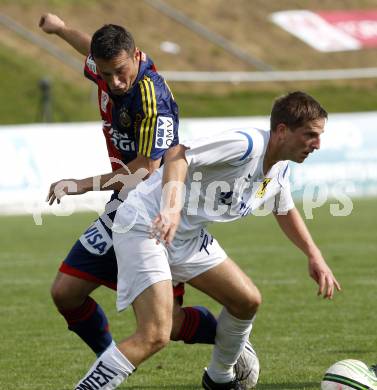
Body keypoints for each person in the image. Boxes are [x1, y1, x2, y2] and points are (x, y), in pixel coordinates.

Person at [73, 91, 341, 389]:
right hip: (145, 224)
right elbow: (177, 154)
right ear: (282, 131)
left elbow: (283, 208)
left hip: (185, 236)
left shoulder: (279, 168)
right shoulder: (246, 144)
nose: (317, 144)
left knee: (246, 301)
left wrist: (314, 255)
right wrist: (171, 207)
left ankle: (219, 379)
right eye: (310, 135)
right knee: (156, 334)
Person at [38, 13, 238, 366]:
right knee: (65, 293)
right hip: (122, 207)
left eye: (120, 72)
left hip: (153, 208)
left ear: (136, 55)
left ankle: (231, 343)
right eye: (105, 73)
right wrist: (59, 29)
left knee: (169, 326)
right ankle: (109, 360)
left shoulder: (152, 99)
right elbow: (87, 46)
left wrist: (82, 185)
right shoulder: (105, 66)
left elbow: (145, 171)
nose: (114, 82)